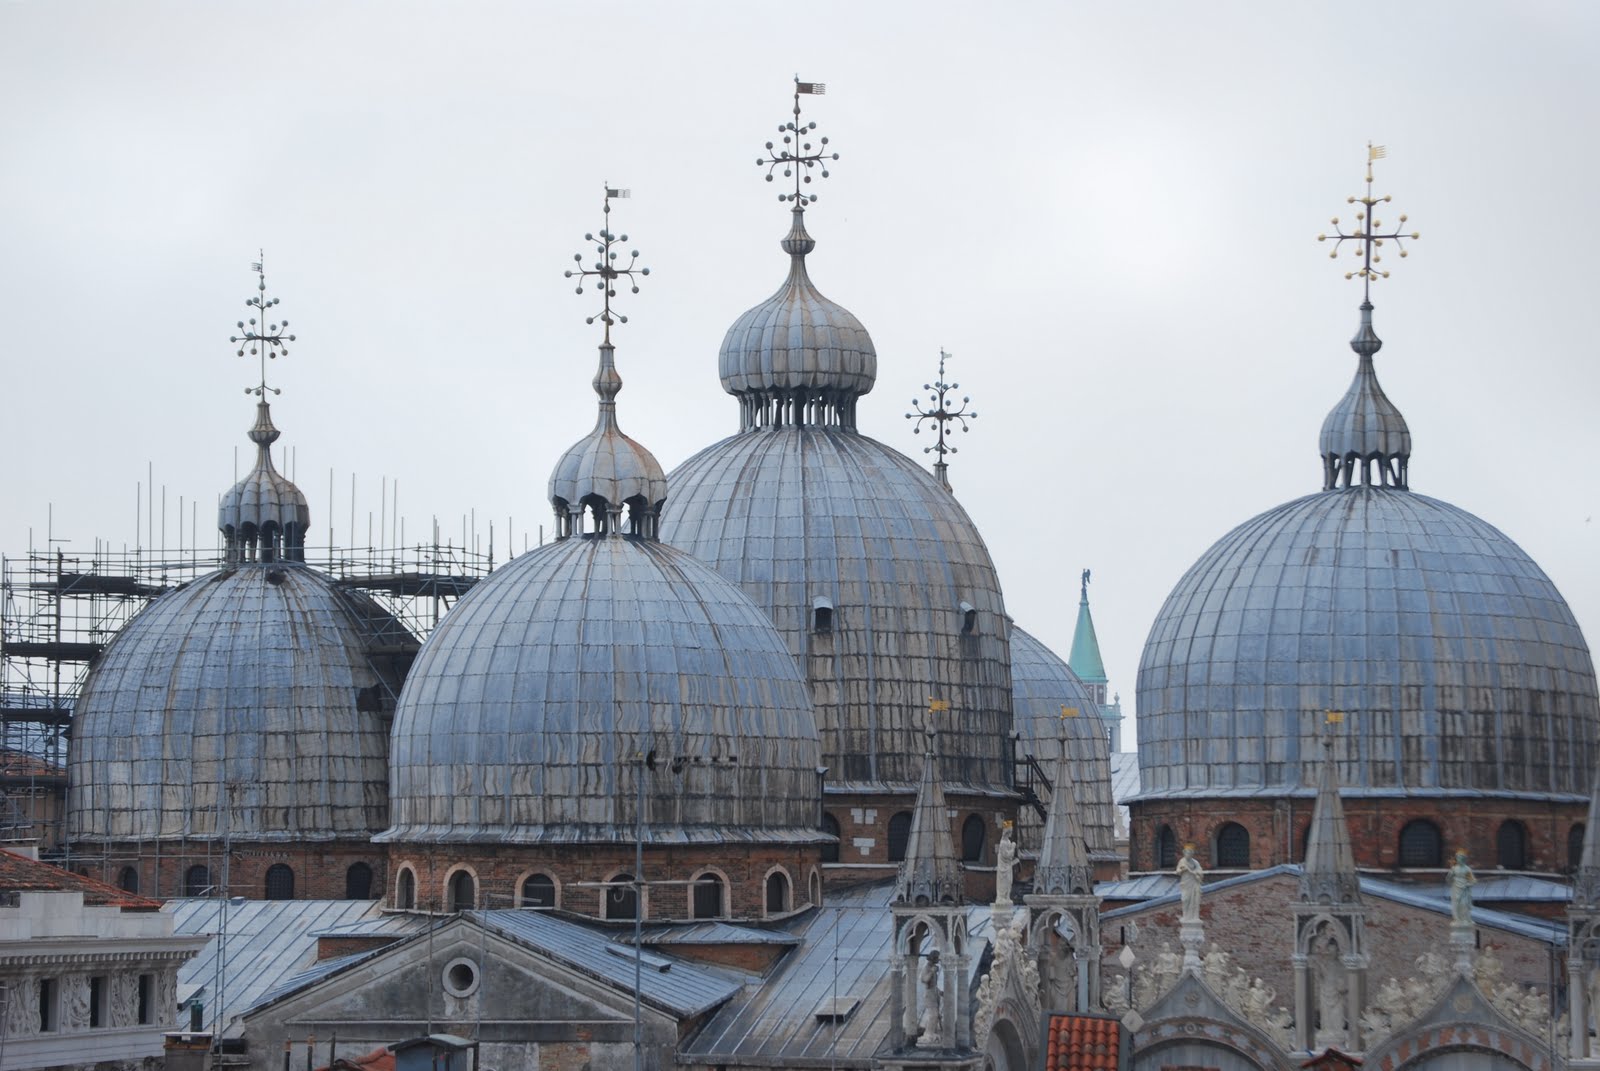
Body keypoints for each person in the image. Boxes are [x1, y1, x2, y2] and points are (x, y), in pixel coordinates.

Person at [917, 950, 943, 1046]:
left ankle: (932, 1032)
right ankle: (928, 1034)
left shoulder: (932, 967)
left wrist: (939, 992)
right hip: (929, 994)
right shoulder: (927, 967)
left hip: (934, 992)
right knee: (933, 1015)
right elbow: (924, 980)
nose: (938, 961)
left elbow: (933, 984)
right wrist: (932, 971)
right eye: (937, 958)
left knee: (936, 1015)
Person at [1176, 844, 1204, 923]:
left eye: (1190, 853)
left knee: (1195, 899)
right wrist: (1182, 870)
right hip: (1185, 883)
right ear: (1184, 853)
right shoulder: (1182, 861)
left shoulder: (1195, 862)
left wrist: (1195, 872)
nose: (1188, 855)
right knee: (1185, 899)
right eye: (1187, 853)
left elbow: (1200, 871)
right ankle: (1185, 915)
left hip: (1194, 882)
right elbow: (1177, 871)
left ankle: (1195, 916)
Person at [1448, 849, 1475, 927]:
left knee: (1464, 904)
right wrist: (1450, 874)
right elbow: (1449, 879)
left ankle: (1465, 919)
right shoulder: (1454, 869)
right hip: (1456, 888)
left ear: (1464, 859)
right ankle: (1457, 919)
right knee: (1456, 904)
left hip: (1464, 889)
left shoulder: (1467, 869)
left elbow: (1472, 880)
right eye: (1458, 858)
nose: (1460, 859)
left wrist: (1468, 884)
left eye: (1461, 858)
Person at [995, 823, 1018, 904]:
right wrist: (1013, 847)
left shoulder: (1008, 841)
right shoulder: (1003, 843)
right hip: (1003, 867)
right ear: (1007, 832)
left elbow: (1010, 857)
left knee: (1009, 881)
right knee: (1004, 882)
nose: (1011, 833)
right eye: (1010, 831)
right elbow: (1007, 855)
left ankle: (1007, 897)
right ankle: (1002, 897)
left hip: (1008, 866)